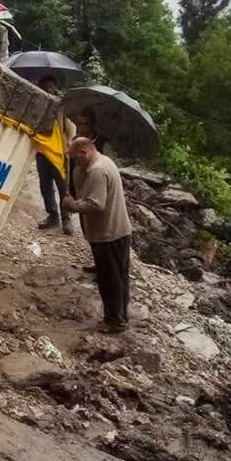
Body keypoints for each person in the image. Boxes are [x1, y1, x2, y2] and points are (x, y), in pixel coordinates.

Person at [62, 137, 133, 333]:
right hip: (116, 231)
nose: (76, 163)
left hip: (109, 233)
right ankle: (120, 316)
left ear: (85, 152)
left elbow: (96, 204)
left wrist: (72, 205)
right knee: (119, 277)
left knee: (110, 280)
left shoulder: (97, 171)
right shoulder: (103, 162)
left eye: (77, 159)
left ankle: (115, 320)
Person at [35, 76, 74, 235]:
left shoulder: (63, 104)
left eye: (50, 86)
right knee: (45, 185)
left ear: (55, 86)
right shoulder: (38, 102)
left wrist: (70, 142)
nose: (48, 90)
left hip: (59, 150)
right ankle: (53, 215)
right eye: (45, 87)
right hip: (41, 149)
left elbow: (70, 125)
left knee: (63, 186)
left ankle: (66, 218)